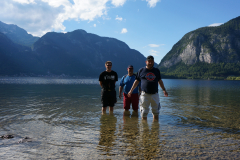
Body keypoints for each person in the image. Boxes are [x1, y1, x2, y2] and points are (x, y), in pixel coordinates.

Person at [128, 56, 168, 121]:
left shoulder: (156, 70)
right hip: (144, 94)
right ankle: (144, 129)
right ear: (146, 62)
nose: (150, 63)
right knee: (144, 113)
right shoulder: (141, 70)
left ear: (153, 62)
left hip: (155, 94)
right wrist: (131, 90)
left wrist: (164, 90)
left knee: (156, 112)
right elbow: (136, 81)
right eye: (149, 62)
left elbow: (160, 81)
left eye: (152, 62)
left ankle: (155, 129)